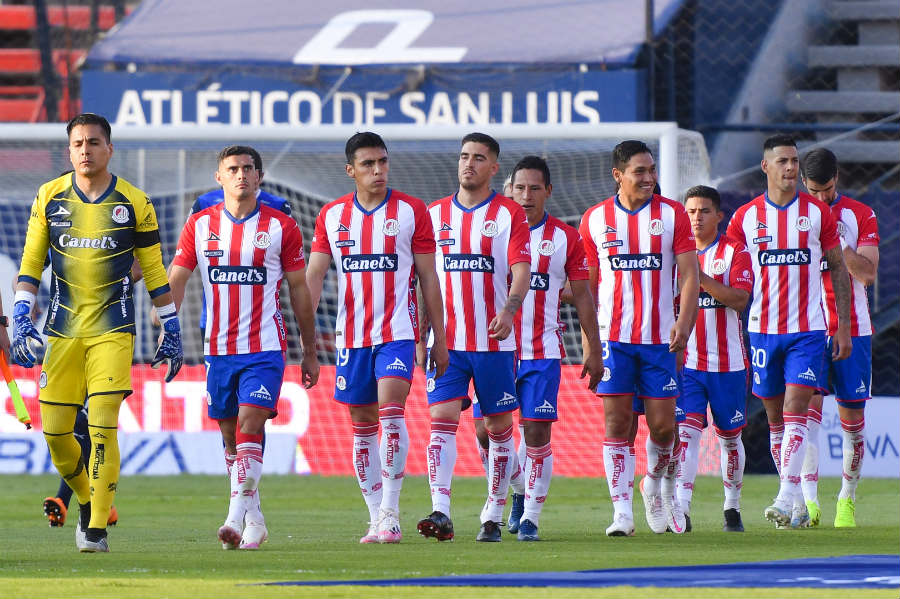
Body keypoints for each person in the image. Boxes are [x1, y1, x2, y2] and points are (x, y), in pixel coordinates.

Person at [11, 113, 183, 553]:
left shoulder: (135, 202)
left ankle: (96, 531)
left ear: (109, 149)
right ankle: (90, 501)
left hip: (113, 330)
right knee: (56, 434)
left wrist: (172, 326)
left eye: (93, 142)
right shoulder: (48, 197)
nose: (85, 150)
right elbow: (31, 263)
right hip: (62, 331)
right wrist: (20, 314)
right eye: (77, 143)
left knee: (104, 425)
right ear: (69, 151)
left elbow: (154, 270)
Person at [167, 145, 319, 550]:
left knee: (252, 423)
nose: (240, 175)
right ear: (219, 177)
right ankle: (255, 519)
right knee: (232, 438)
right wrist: (166, 322)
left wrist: (309, 348)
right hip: (217, 349)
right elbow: (177, 277)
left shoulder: (282, 226)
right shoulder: (199, 225)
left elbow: (299, 289)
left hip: (266, 347)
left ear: (259, 177)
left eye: (248, 169)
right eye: (232, 169)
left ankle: (233, 517)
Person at [305, 132, 449, 544]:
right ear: (351, 170)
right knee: (362, 424)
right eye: (368, 164)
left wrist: (437, 337)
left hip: (398, 334)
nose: (378, 170)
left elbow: (428, 278)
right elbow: (314, 277)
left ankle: (391, 509)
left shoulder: (411, 211)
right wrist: (307, 338)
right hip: (351, 338)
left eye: (383, 162)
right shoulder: (332, 216)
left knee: (391, 413)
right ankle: (375, 517)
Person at [725, 134, 852, 529]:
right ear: (765, 166)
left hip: (807, 331)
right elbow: (729, 268)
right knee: (776, 418)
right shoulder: (744, 218)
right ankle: (796, 499)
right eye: (782, 161)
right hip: (762, 331)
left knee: (798, 410)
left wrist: (843, 326)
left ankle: (783, 496)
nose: (791, 167)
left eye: (794, 160)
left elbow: (837, 268)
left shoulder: (817, 213)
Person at [579, 139, 699, 537]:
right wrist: (590, 346)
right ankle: (621, 514)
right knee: (618, 424)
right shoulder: (595, 219)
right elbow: (587, 289)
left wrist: (684, 322)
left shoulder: (673, 215)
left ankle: (653, 482)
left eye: (652, 171)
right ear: (618, 175)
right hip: (614, 341)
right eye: (640, 171)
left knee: (664, 428)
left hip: (659, 341)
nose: (649, 178)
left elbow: (688, 276)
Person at [416, 132, 531, 542]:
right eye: (464, 156)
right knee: (441, 420)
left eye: (479, 158)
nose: (469, 164)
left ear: (493, 168)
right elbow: (423, 279)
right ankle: (441, 511)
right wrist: (422, 333)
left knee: (496, 429)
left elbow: (521, 269)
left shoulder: (509, 215)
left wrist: (510, 308)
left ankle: (495, 511)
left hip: (494, 343)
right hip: (447, 343)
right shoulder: (433, 215)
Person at [498, 155, 606, 540]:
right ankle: (518, 487)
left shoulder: (566, 238)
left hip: (542, 351)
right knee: (484, 433)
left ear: (548, 192)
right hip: (494, 350)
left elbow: (583, 297)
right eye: (519, 187)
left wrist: (593, 348)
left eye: (534, 188)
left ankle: (530, 517)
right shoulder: (489, 231)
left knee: (536, 432)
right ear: (508, 189)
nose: (526, 196)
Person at [799, 148, 879, 528]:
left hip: (855, 330)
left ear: (838, 179)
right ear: (803, 183)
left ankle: (846, 498)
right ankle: (809, 502)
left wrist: (835, 241)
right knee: (807, 419)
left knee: (852, 422)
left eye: (827, 190)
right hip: (807, 330)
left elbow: (867, 274)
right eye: (813, 191)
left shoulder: (860, 215)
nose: (820, 198)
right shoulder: (791, 217)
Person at [676, 185, 753, 533]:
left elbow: (739, 299)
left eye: (704, 211)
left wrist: (698, 277)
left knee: (730, 438)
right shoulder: (675, 254)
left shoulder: (734, 251)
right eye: (691, 211)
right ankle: (682, 508)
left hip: (729, 365)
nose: (696, 217)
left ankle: (732, 507)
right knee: (687, 434)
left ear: (719, 215)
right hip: (689, 363)